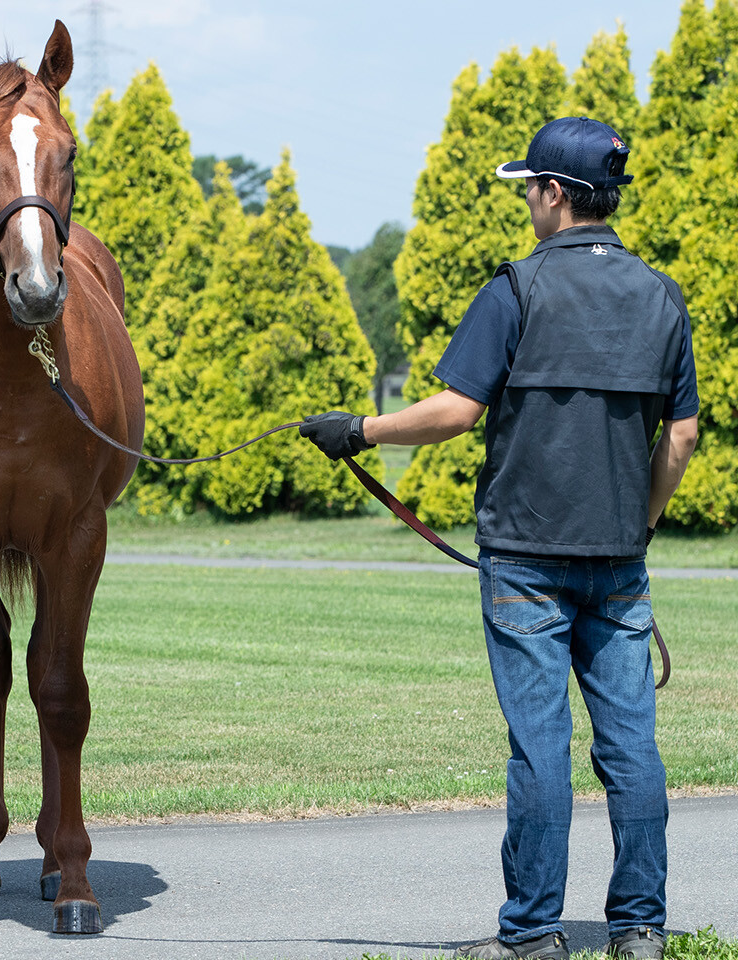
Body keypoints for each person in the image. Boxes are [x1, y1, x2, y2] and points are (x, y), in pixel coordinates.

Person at [301, 116, 699, 960]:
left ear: (555, 194)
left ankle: (532, 934)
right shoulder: (663, 297)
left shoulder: (515, 289)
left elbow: (454, 412)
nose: (525, 200)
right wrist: (644, 520)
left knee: (540, 749)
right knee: (632, 748)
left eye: (529, 187)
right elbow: (684, 438)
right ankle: (641, 929)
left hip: (525, 562)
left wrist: (361, 429)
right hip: (620, 566)